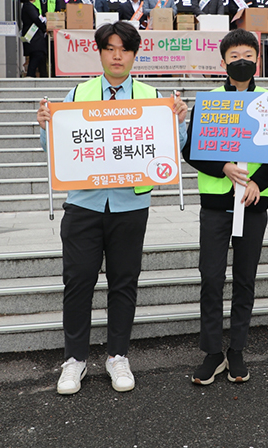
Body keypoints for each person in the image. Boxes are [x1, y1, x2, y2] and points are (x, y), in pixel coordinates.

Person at [35, 21, 188, 395]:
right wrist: (44, 126)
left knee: (123, 282)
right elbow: (53, 148)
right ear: (100, 52)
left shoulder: (153, 95)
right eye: (110, 48)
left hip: (130, 204)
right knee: (78, 282)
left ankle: (118, 355)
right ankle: (75, 360)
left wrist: (179, 121)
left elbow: (170, 146)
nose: (117, 55)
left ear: (135, 54)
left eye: (125, 49)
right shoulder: (77, 93)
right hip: (84, 204)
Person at [181, 29, 268, 385]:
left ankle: (237, 350)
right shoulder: (208, 100)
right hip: (215, 204)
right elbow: (190, 150)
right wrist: (222, 167)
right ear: (223, 61)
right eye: (234, 55)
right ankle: (213, 352)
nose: (241, 61)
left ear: (258, 58)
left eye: (248, 55)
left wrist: (259, 182)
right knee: (211, 278)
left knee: (245, 279)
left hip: (253, 203)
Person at [20, 0, 48, 78]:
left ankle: (41, 78)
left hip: (33, 38)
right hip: (34, 38)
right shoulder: (29, 6)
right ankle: (30, 76)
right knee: (37, 56)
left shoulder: (27, 6)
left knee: (39, 59)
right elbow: (36, 19)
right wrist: (44, 27)